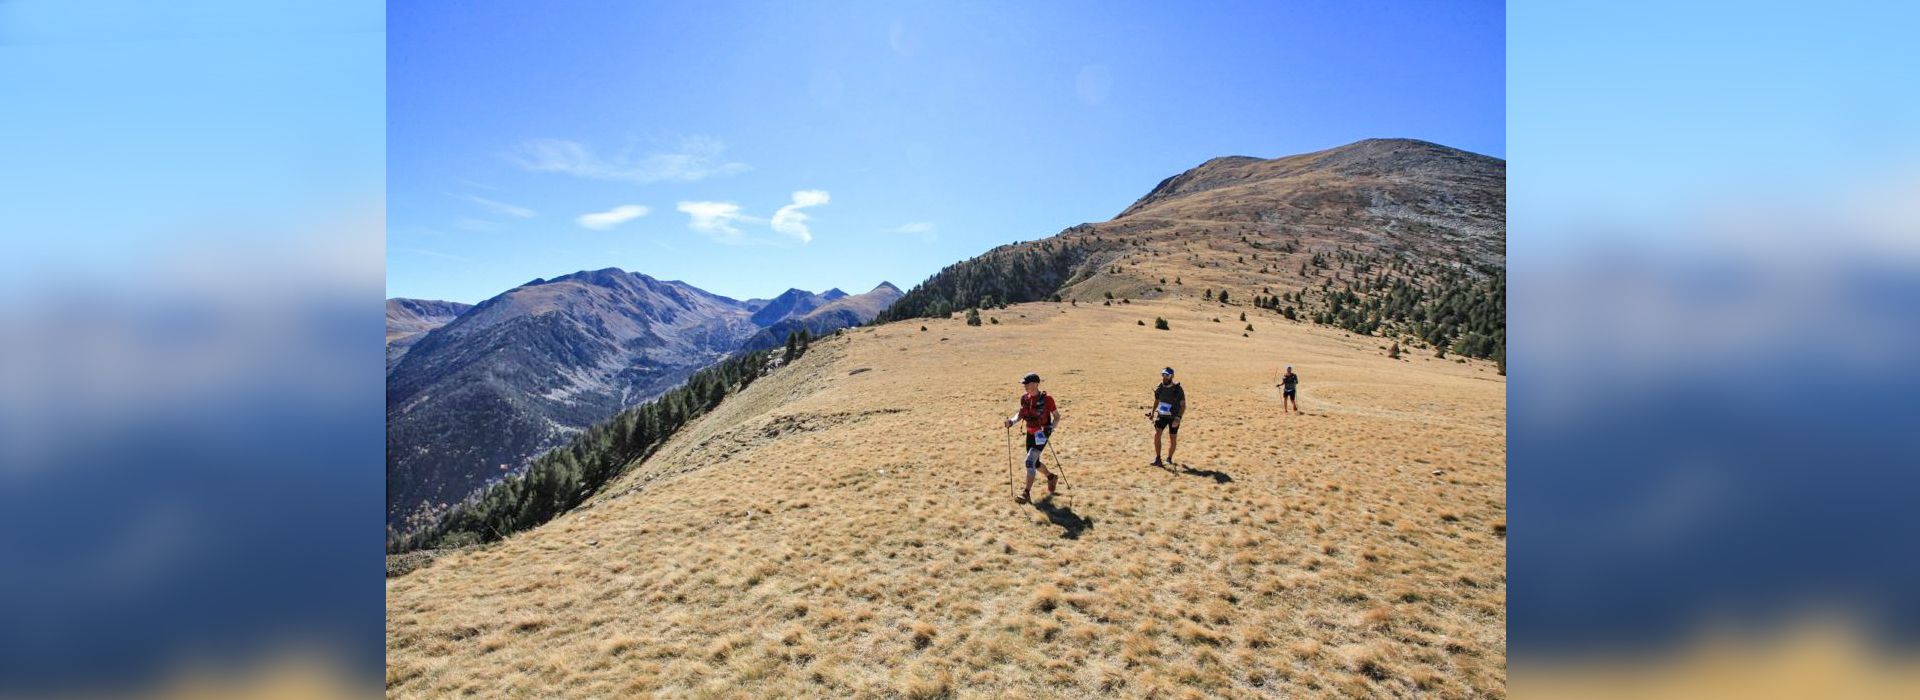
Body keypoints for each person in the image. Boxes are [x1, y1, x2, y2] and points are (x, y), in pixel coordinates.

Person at [1003, 373, 1062, 503]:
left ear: (1035, 384)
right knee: (1035, 463)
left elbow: (1057, 416)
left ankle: (1026, 493)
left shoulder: (1048, 400)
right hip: (1030, 433)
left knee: (1029, 461)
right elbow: (1020, 414)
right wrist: (1011, 422)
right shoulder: (1024, 398)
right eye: (1024, 384)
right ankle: (1051, 477)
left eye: (1027, 383)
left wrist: (1051, 428)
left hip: (1041, 434)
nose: (1024, 386)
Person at [1147, 367, 1185, 467]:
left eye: (1167, 375)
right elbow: (1157, 401)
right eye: (1163, 375)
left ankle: (1169, 459)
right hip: (1162, 415)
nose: (1164, 377)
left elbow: (1183, 405)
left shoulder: (1177, 389)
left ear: (1172, 376)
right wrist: (1152, 412)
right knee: (1157, 434)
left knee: (1172, 438)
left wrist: (1178, 418)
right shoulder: (1160, 387)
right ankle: (1158, 459)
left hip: (1173, 417)